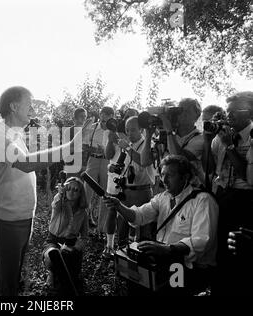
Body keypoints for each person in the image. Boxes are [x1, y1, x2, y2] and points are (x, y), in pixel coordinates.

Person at [0, 86, 91, 296]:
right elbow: (25, 164)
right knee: (5, 284)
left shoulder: (16, 135)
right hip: (8, 221)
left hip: (23, 218)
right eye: (29, 104)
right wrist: (68, 147)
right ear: (14, 106)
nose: (33, 109)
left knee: (14, 278)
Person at [103, 155, 219, 295]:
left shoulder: (203, 201)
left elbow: (201, 242)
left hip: (188, 266)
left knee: (170, 290)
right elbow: (139, 216)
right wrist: (119, 207)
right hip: (163, 261)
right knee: (135, 281)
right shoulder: (162, 198)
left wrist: (167, 249)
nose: (164, 180)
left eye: (170, 175)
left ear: (185, 177)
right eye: (163, 174)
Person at [209, 91, 253, 296]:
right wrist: (209, 137)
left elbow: (247, 175)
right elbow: (209, 167)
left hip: (245, 199)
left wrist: (229, 145)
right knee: (220, 247)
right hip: (223, 195)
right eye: (228, 112)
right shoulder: (221, 136)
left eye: (235, 112)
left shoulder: (251, 138)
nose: (229, 116)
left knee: (239, 250)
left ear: (249, 112)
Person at [104, 116, 156, 252]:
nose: (129, 133)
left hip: (141, 191)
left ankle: (141, 260)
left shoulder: (147, 143)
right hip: (126, 190)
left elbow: (143, 162)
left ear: (141, 130)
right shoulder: (128, 145)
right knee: (122, 225)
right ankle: (121, 255)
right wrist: (113, 168)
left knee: (142, 227)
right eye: (127, 130)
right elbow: (124, 166)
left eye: (133, 130)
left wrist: (127, 148)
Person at [42, 177, 88, 295]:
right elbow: (55, 204)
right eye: (69, 188)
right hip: (53, 240)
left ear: (80, 194)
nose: (71, 192)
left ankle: (63, 280)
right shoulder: (59, 204)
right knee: (53, 253)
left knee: (68, 261)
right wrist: (60, 193)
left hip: (71, 243)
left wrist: (77, 246)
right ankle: (51, 273)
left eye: (75, 190)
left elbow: (84, 237)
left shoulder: (83, 213)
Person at [159, 98, 206, 186]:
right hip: (167, 187)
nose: (182, 114)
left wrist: (169, 131)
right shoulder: (170, 136)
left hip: (190, 190)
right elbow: (145, 162)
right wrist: (149, 134)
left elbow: (178, 158)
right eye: (180, 111)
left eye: (187, 111)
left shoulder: (200, 138)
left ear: (197, 116)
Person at [82, 107, 114, 230]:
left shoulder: (113, 130)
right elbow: (84, 145)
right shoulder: (93, 127)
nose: (105, 117)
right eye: (103, 114)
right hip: (93, 159)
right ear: (100, 115)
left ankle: (102, 228)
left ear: (112, 116)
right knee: (87, 191)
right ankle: (84, 223)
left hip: (107, 161)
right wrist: (95, 149)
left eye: (108, 115)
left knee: (106, 193)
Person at [63, 107, 88, 177]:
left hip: (86, 165)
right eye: (81, 116)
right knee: (72, 186)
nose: (84, 118)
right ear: (75, 118)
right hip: (73, 164)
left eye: (85, 116)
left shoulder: (89, 131)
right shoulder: (69, 131)